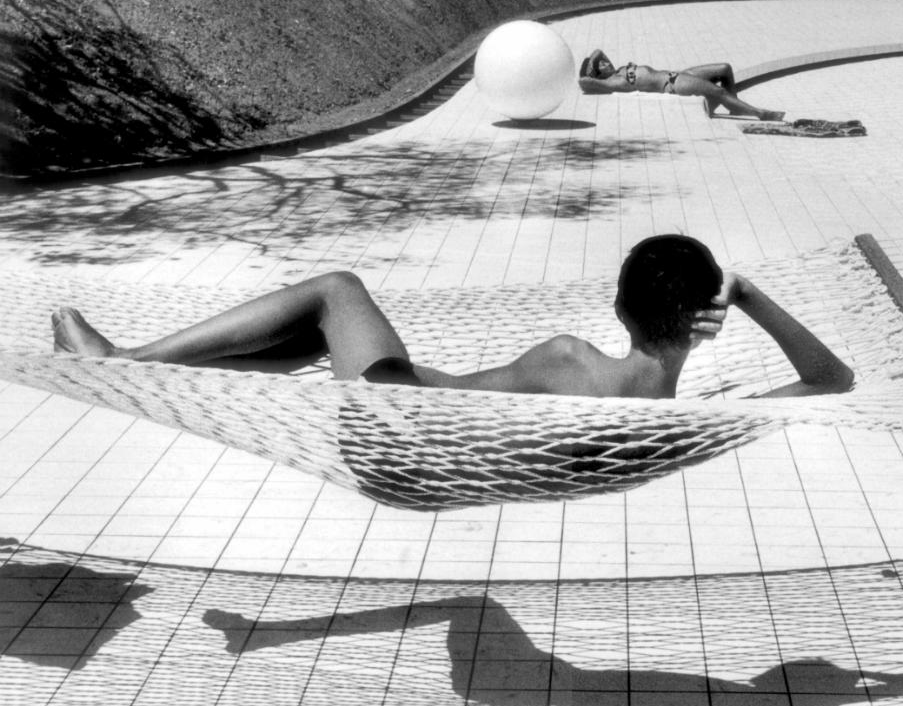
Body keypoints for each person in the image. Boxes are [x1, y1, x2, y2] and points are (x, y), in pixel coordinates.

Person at [51, 234, 853, 401]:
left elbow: (450, 400)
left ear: (619, 307)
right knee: (305, 345)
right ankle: (140, 368)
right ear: (703, 321)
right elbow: (831, 379)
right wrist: (747, 294)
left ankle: (122, 363)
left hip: (399, 428)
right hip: (427, 445)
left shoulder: (572, 358)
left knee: (335, 291)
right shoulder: (681, 422)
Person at [578, 50, 784, 122]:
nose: (606, 62)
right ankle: (760, 113)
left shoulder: (619, 70)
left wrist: (593, 60)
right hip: (673, 84)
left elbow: (598, 51)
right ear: (598, 74)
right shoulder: (612, 82)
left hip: (678, 74)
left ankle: (734, 105)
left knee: (724, 68)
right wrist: (590, 70)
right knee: (718, 90)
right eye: (601, 65)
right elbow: (584, 82)